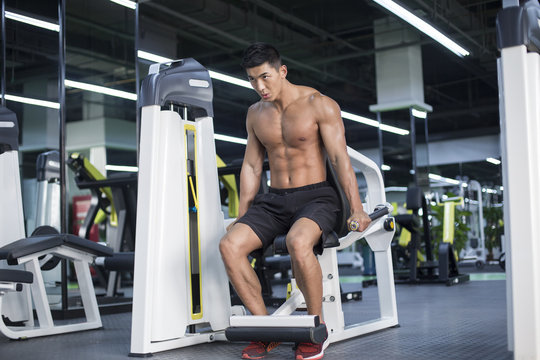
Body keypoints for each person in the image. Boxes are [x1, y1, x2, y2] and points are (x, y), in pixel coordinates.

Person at [219, 42, 371, 360]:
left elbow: (340, 159)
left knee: (297, 242)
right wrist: (242, 214)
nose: (259, 86)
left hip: (317, 196)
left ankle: (316, 330)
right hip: (274, 200)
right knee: (229, 246)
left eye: (265, 77)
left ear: (282, 71)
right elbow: (249, 166)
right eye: (251, 80)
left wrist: (356, 208)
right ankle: (264, 331)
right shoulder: (255, 114)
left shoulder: (319, 104)